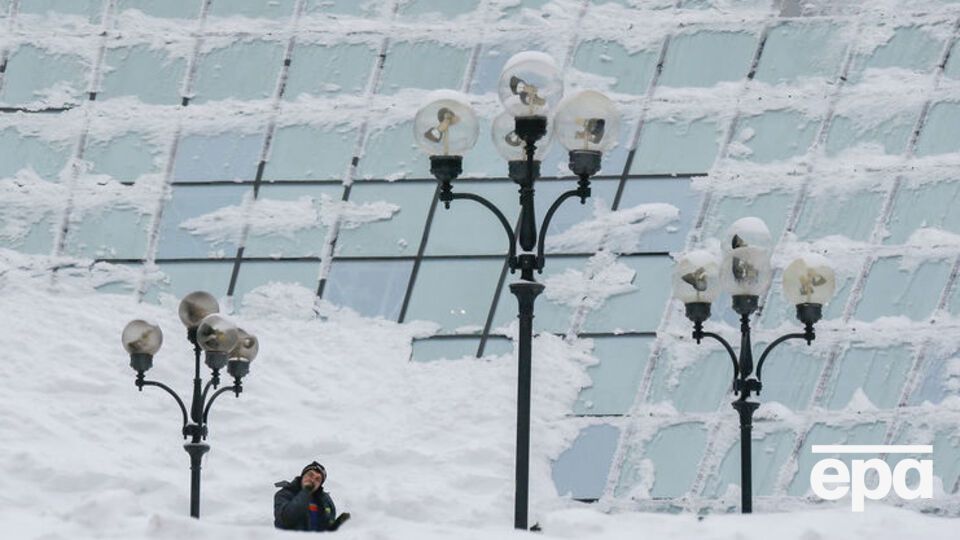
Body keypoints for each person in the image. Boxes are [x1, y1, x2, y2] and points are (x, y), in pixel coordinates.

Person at [274, 461, 350, 532]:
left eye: (317, 479)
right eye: (310, 475)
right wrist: (306, 491)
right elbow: (286, 520)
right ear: (302, 476)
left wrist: (336, 525)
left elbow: (325, 531)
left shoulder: (326, 501)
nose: (312, 480)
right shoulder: (285, 494)